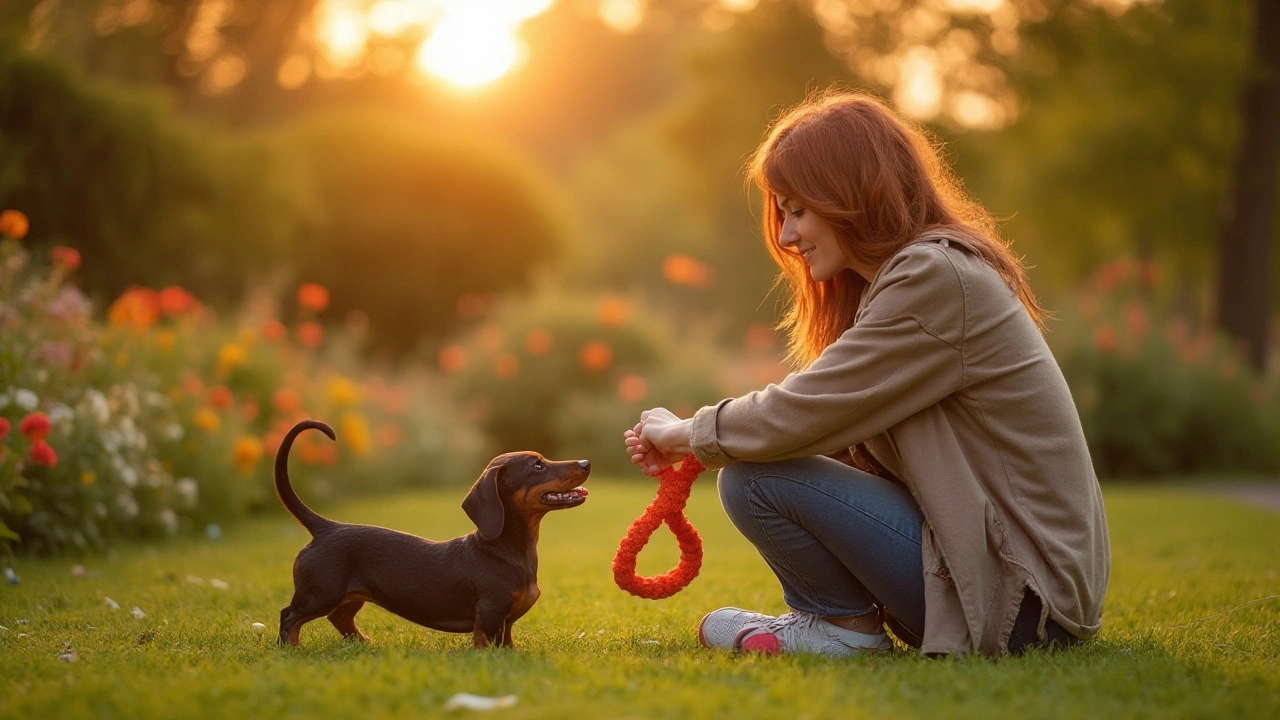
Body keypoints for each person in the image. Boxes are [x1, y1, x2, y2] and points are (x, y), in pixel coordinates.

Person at [623, 91, 1110, 658]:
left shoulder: (935, 276)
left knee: (753, 477)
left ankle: (840, 631)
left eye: (798, 210)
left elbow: (803, 411)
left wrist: (689, 434)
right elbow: (836, 433)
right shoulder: (913, 278)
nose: (785, 236)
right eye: (782, 212)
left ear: (852, 195)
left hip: (1021, 602)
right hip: (1022, 590)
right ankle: (836, 625)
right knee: (763, 464)